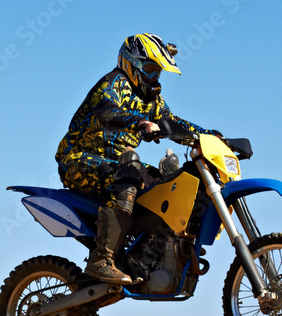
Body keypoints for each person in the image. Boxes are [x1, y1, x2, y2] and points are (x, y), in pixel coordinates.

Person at [55, 33, 221, 284]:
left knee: (168, 186)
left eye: (158, 72)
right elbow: (106, 110)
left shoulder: (151, 99)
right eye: (150, 70)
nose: (154, 77)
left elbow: (172, 122)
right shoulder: (112, 84)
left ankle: (145, 258)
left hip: (118, 162)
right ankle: (101, 260)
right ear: (130, 63)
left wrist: (209, 136)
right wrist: (140, 122)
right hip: (79, 159)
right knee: (129, 172)